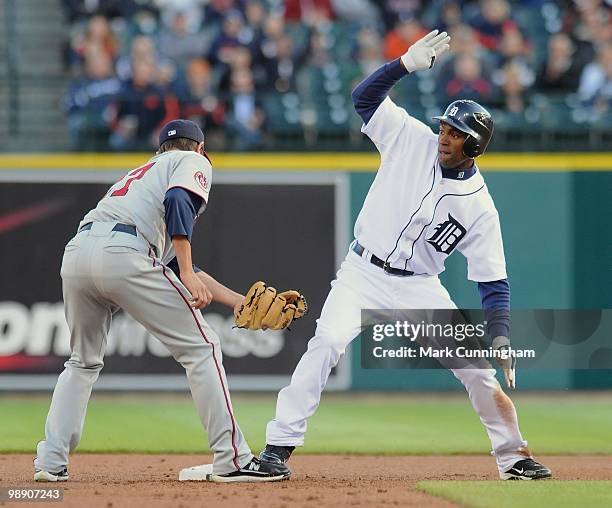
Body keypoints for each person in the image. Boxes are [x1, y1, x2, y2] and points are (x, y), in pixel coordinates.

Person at [259, 30, 553, 481]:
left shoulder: (479, 205)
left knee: (478, 369)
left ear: (475, 146)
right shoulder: (410, 137)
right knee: (326, 343)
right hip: (362, 271)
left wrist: (500, 335)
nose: (445, 135)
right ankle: (278, 448)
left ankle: (513, 458)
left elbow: (492, 280)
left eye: (456, 134)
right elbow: (363, 98)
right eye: (446, 127)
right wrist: (404, 64)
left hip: (419, 287)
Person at [33, 119, 290, 483]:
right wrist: (185, 273)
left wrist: (235, 301)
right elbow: (178, 204)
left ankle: (50, 461)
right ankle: (231, 459)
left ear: (159, 149)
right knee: (203, 347)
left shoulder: (142, 173)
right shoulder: (192, 161)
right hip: (125, 252)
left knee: (82, 362)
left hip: (78, 253)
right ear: (199, 148)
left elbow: (173, 256)